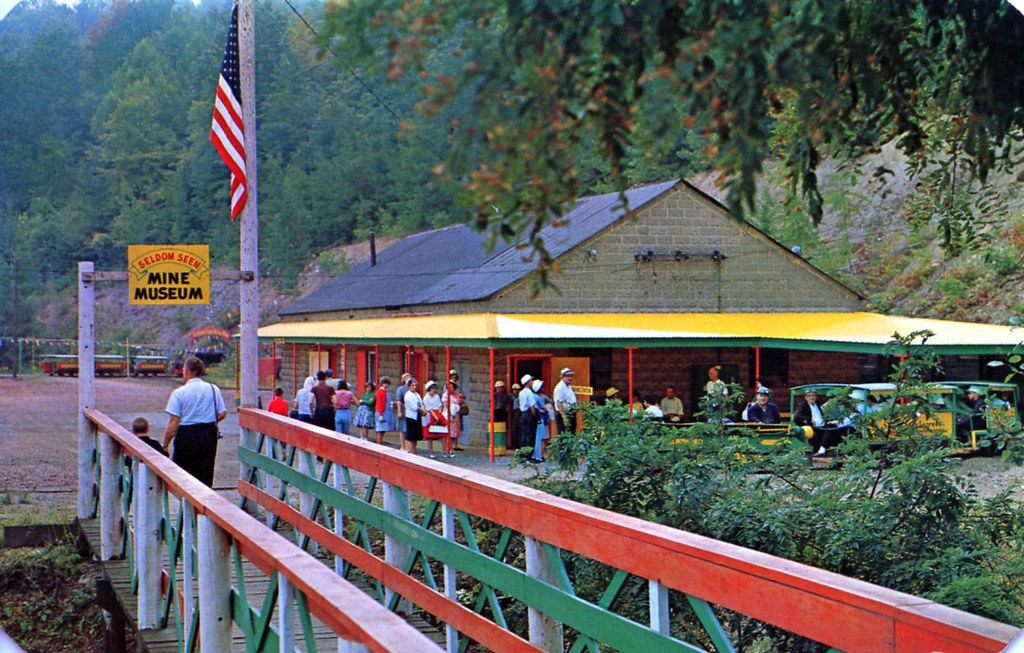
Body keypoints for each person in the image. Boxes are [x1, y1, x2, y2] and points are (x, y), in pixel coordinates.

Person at [162, 356, 226, 487]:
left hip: (186, 435)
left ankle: (187, 504)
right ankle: (204, 504)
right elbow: (222, 413)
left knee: (185, 475)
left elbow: (174, 421)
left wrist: (165, 444)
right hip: (208, 434)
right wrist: (209, 420)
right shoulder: (214, 389)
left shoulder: (179, 393)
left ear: (187, 372)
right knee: (205, 473)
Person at [423, 380, 447, 458]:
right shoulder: (426, 398)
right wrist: (436, 418)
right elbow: (429, 409)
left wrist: (439, 414)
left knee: (443, 434)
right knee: (430, 435)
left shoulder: (437, 396)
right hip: (431, 415)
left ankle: (445, 452)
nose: (434, 390)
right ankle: (431, 452)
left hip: (438, 413)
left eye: (434, 388)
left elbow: (440, 405)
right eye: (432, 388)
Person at [402, 378, 426, 454]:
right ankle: (410, 451)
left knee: (416, 436)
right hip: (411, 417)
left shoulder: (417, 394)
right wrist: (422, 410)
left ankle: (414, 450)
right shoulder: (408, 395)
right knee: (411, 436)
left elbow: (421, 403)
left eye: (415, 385)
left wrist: (423, 410)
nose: (414, 387)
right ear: (409, 386)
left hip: (417, 416)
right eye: (413, 385)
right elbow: (413, 407)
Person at [530, 379, 550, 462]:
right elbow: (544, 407)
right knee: (540, 438)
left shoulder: (531, 396)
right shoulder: (540, 398)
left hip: (533, 419)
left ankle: (534, 455)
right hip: (541, 418)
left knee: (536, 438)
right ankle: (538, 456)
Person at [553, 367, 578, 434]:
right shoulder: (560, 387)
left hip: (570, 413)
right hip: (564, 414)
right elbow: (559, 402)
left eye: (571, 376)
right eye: (567, 376)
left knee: (571, 433)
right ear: (562, 377)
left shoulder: (568, 387)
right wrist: (564, 417)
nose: (569, 378)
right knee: (564, 434)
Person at [442, 380, 463, 457]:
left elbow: (459, 402)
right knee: (449, 432)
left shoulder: (457, 395)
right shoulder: (445, 395)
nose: (451, 388)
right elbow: (446, 404)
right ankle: (449, 448)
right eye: (449, 387)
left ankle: (454, 446)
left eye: (452, 387)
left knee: (455, 432)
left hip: (456, 415)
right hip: (449, 414)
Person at [375, 377, 396, 445]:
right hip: (382, 412)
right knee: (380, 430)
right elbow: (380, 403)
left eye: (387, 383)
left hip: (386, 412)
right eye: (385, 383)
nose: (386, 385)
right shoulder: (381, 392)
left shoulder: (385, 392)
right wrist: (381, 414)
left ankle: (380, 442)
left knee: (383, 429)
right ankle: (379, 443)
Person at [395, 373, 413, 447]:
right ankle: (403, 446)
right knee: (403, 428)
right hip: (403, 408)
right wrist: (399, 411)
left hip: (411, 409)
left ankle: (409, 446)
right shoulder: (401, 389)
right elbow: (399, 401)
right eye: (406, 377)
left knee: (409, 428)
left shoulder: (412, 388)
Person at [508, 382, 523, 449]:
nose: (515, 391)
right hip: (513, 413)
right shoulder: (511, 396)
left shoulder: (521, 396)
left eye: (516, 389)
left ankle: (519, 444)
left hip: (519, 412)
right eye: (514, 389)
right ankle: (514, 444)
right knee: (514, 429)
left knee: (519, 429)